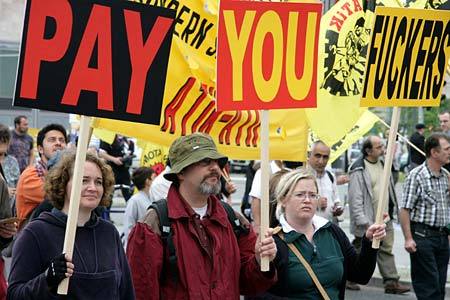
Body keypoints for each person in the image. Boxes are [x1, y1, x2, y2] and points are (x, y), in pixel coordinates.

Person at [127, 132, 277, 299]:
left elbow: (249, 284)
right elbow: (140, 291)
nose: (215, 168)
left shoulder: (232, 219)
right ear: (181, 172)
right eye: (205, 161)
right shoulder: (153, 224)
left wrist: (260, 261)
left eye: (217, 162)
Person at [7, 152, 135, 299]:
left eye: (98, 182)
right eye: (84, 180)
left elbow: (126, 291)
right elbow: (15, 295)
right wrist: (47, 279)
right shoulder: (36, 233)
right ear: (63, 184)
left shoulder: (109, 232)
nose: (93, 187)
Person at [265, 168, 384, 299]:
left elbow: (360, 275)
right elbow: (257, 294)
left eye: (312, 195)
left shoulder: (332, 231)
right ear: (283, 199)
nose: (307, 200)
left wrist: (370, 242)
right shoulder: (273, 242)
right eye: (300, 195)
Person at [347, 136, 410, 294]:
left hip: (384, 217)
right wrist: (365, 222)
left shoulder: (384, 163)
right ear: (368, 150)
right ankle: (349, 277)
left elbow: (392, 180)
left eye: (383, 146)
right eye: (379, 147)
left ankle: (391, 282)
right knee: (360, 248)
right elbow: (355, 199)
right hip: (368, 220)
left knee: (386, 248)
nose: (383, 149)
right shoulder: (358, 168)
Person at [399, 133, 450, 300]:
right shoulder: (416, 175)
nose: (449, 152)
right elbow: (405, 209)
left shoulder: (446, 176)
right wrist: (408, 238)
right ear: (434, 153)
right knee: (429, 289)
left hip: (442, 239)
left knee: (440, 288)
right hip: (423, 238)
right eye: (447, 149)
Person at [15, 124, 67, 230]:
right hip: (32, 238)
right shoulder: (30, 176)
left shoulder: (65, 173)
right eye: (52, 140)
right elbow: (62, 197)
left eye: (62, 140)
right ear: (40, 149)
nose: (58, 143)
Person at [307, 141, 343, 223]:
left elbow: (336, 200)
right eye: (317, 156)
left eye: (325, 157)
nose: (321, 161)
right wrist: (315, 203)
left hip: (329, 227)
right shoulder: (302, 176)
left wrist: (337, 208)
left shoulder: (330, 176)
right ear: (309, 155)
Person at [123, 166, 156, 249]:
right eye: (154, 178)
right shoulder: (134, 200)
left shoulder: (152, 197)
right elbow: (128, 226)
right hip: (137, 246)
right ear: (147, 181)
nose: (156, 181)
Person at [99, 135, 133, 201]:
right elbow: (101, 153)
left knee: (128, 196)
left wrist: (127, 159)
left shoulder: (129, 141)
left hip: (125, 172)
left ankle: (132, 210)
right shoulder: (108, 137)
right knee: (108, 197)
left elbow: (131, 153)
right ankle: (106, 211)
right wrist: (114, 159)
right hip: (111, 171)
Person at [0, 124, 20, 200]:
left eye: (5, 141)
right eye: (1, 140)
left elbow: (18, 185)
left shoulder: (13, 161)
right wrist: (4, 192)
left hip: (10, 208)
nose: (3, 144)